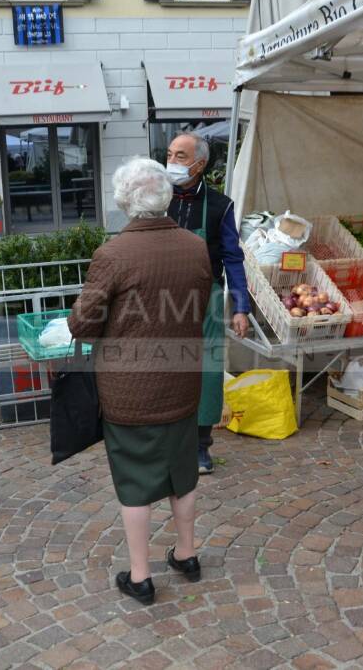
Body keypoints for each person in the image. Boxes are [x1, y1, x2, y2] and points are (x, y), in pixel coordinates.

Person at [68, 157, 213, 606]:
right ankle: (187, 555)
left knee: (135, 482)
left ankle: (140, 576)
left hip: (130, 390)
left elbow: (82, 325)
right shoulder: (194, 246)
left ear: (124, 200)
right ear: (166, 195)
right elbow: (200, 305)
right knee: (182, 474)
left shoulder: (112, 255)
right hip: (182, 380)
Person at [165, 132, 249, 474]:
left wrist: (240, 306)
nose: (171, 162)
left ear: (199, 164)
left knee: (207, 372)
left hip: (208, 300)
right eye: (169, 154)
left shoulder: (220, 206)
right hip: (163, 297)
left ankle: (201, 447)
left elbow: (233, 257)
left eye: (180, 157)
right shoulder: (157, 199)